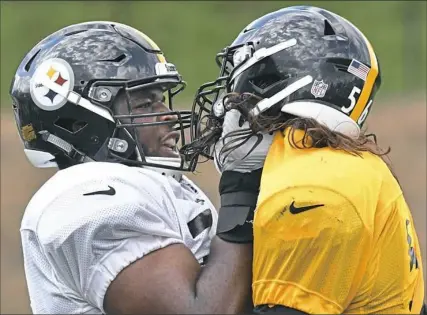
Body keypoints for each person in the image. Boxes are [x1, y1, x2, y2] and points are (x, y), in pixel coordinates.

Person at [186, 5, 426, 314]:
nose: (226, 102)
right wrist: (240, 189)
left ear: (278, 82)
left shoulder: (313, 191)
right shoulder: (335, 167)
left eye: (240, 82)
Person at [11, 21, 258, 314]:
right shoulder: (84, 197)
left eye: (160, 100)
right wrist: (242, 186)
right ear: (81, 123)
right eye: (144, 104)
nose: (166, 115)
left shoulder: (156, 185)